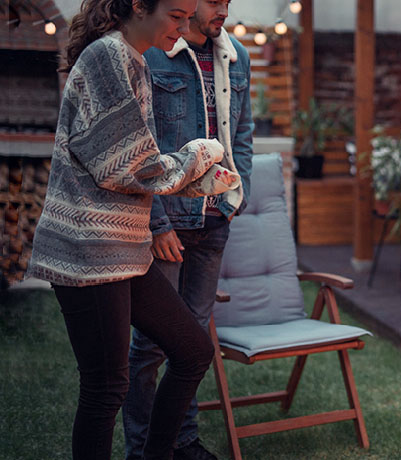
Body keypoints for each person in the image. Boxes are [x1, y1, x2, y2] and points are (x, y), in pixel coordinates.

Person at [25, 0, 241, 457]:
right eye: (177, 16)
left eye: (188, 17)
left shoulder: (133, 60)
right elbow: (131, 168)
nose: (184, 28)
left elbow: (133, 172)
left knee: (191, 351)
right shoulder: (107, 57)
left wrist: (195, 182)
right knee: (106, 388)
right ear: (139, 7)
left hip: (125, 246)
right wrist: (203, 153)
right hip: (87, 250)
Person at [121, 0, 253, 457]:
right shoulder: (154, 53)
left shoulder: (237, 56)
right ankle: (142, 448)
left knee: (193, 345)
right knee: (151, 347)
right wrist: (156, 223)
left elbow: (242, 135)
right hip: (168, 225)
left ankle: (183, 442)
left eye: (228, 2)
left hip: (215, 221)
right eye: (215, 2)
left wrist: (238, 196)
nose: (223, 11)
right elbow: (142, 141)